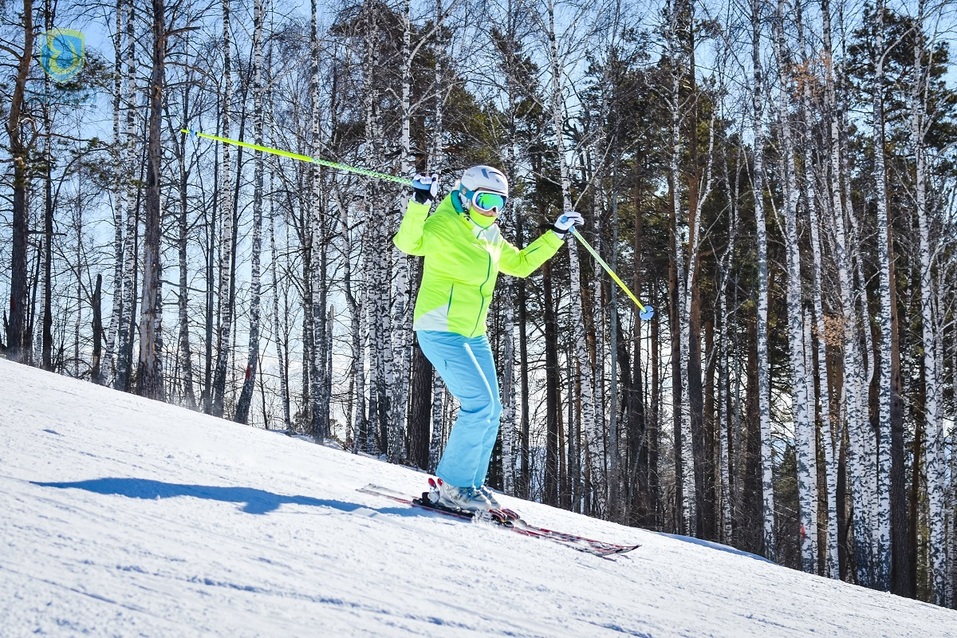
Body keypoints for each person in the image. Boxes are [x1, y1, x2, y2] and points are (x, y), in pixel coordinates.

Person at [393, 165, 583, 513]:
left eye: (499, 203)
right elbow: (409, 243)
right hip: (440, 329)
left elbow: (522, 264)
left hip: (473, 334)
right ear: (465, 197)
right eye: (484, 200)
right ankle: (454, 486)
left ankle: (470, 486)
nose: (491, 210)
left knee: (492, 409)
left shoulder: (490, 235)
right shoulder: (444, 224)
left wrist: (555, 235)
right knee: (479, 404)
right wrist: (420, 202)